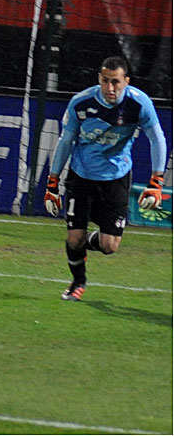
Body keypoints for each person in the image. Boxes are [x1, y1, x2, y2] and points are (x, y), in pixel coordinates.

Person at [44, 56, 167, 301]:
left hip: (116, 178)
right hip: (81, 176)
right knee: (73, 237)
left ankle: (83, 243)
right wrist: (53, 182)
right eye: (105, 81)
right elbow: (66, 141)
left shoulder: (139, 104)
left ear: (126, 81)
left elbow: (157, 139)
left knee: (110, 246)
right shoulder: (81, 103)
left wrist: (156, 182)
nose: (110, 88)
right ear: (99, 79)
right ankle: (78, 281)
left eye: (115, 82)